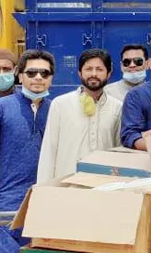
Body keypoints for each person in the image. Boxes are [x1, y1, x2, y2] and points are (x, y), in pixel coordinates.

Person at [0, 49, 54, 253]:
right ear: (20, 76)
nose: (38, 77)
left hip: (42, 203)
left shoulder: (56, 110)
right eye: (31, 73)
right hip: (4, 203)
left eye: (44, 73)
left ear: (51, 78)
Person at [37, 49, 122, 184]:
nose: (94, 74)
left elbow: (119, 153)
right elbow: (49, 151)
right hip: (66, 185)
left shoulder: (117, 107)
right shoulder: (60, 104)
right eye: (88, 69)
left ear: (109, 73)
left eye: (99, 69)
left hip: (103, 186)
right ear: (79, 73)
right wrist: (43, 188)